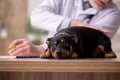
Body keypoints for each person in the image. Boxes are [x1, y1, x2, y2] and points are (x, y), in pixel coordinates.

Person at [8, 0, 120, 56]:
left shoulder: (113, 13)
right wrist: (75, 24)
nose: (106, 0)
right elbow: (36, 16)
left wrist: (41, 49)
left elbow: (90, 45)